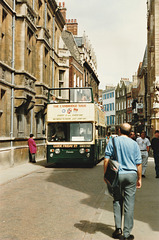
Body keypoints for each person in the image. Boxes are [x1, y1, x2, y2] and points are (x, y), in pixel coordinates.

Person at [104, 123, 142, 240]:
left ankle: (118, 230)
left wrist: (106, 176)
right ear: (130, 132)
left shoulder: (113, 141)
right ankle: (126, 234)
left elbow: (106, 160)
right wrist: (139, 178)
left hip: (117, 175)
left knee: (117, 200)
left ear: (119, 130)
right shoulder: (134, 144)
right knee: (129, 204)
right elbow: (138, 163)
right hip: (131, 175)